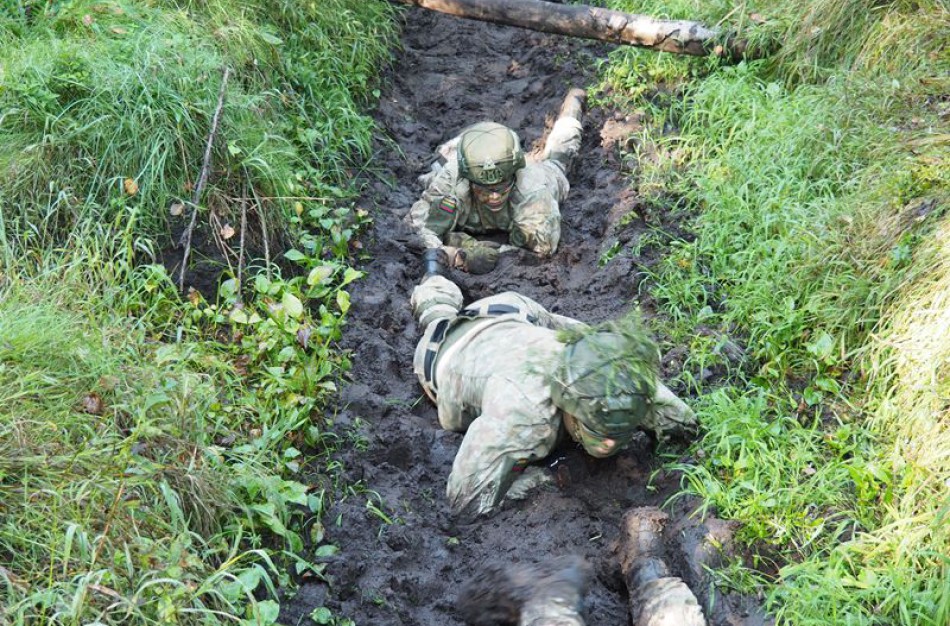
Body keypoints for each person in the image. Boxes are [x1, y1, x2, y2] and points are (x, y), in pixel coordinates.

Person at [410, 256, 697, 520]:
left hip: (518, 310)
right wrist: (539, 480)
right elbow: (465, 499)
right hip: (451, 351)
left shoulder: (619, 376)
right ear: (567, 404)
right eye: (594, 431)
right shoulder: (526, 415)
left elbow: (681, 420)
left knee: (584, 335)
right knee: (438, 315)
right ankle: (434, 278)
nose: (609, 445)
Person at [405, 88, 586, 274]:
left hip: (540, 174)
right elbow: (417, 226)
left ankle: (572, 110)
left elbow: (541, 251)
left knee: (558, 158)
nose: (494, 197)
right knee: (434, 169)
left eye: (501, 188)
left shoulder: (534, 192)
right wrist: (454, 253)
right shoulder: (452, 179)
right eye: (484, 190)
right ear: (470, 181)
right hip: (458, 172)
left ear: (513, 177)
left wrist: (493, 254)